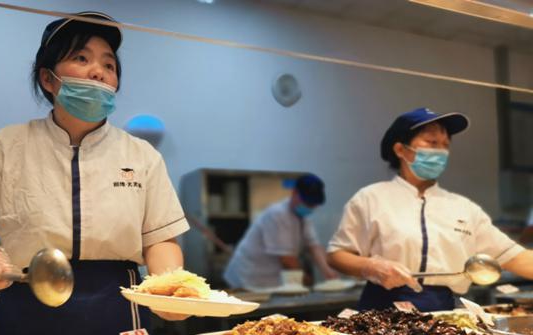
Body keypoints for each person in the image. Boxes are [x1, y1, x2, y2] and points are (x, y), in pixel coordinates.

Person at [0, 11, 190, 335]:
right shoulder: (6, 146)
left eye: (109, 65)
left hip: (117, 309)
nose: (98, 71)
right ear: (48, 78)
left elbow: (160, 239)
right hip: (27, 301)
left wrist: (170, 290)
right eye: (81, 58)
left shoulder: (142, 155)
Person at [327, 107, 533, 312]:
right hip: (381, 308)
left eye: (445, 145)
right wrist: (370, 266)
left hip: (442, 310)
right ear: (401, 150)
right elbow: (338, 254)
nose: (440, 151)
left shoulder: (464, 208)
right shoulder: (371, 198)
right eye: (432, 143)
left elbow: (514, 257)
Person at [223, 174, 338, 290]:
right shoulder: (277, 214)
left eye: (313, 205)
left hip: (270, 279)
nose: (309, 207)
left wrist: (328, 272)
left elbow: (314, 247)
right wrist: (308, 282)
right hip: (249, 277)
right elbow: (287, 259)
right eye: (307, 203)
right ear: (294, 193)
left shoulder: (303, 219)